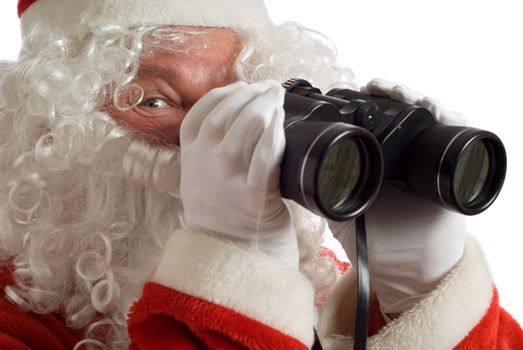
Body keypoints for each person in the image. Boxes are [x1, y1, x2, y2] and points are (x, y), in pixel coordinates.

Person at [0, 0, 521, 349]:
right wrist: (228, 286)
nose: (217, 137)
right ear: (54, 126)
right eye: (154, 100)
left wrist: (421, 294)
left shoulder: (311, 281)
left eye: (239, 99)